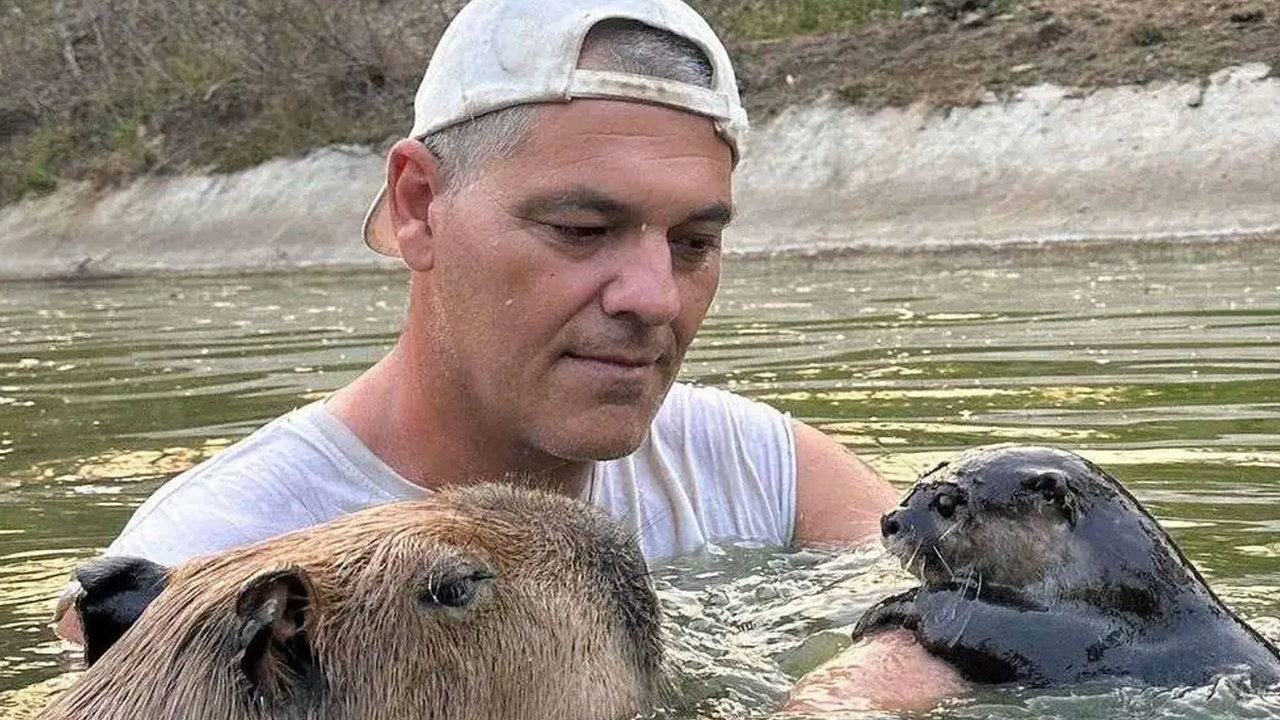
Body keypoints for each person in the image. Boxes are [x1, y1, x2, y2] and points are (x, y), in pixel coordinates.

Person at [55, 0, 963, 708]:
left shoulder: (755, 465)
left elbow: (980, 612)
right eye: (580, 228)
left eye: (694, 243)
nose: (654, 297)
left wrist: (853, 692)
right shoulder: (212, 562)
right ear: (417, 206)